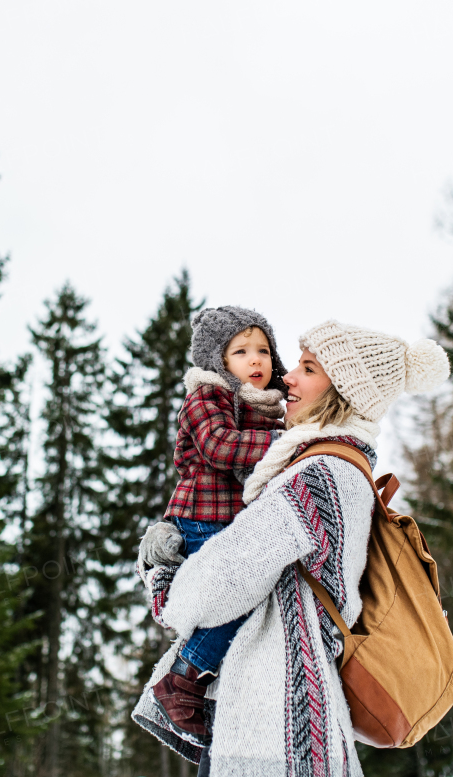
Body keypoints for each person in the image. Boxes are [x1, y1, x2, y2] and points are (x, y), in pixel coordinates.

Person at [135, 320, 450, 776]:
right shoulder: (345, 467)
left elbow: (217, 582)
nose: (288, 377)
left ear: (342, 389)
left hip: (273, 728)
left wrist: (160, 572)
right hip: (301, 718)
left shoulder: (317, 474)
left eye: (308, 368)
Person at [146, 305, 290, 738]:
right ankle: (183, 679)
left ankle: (219, 690)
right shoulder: (205, 396)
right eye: (240, 351)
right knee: (238, 594)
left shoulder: (265, 407)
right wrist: (283, 444)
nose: (255, 360)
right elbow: (219, 446)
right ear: (217, 361)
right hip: (204, 516)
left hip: (238, 522)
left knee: (253, 603)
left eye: (263, 350)